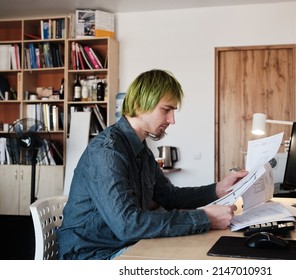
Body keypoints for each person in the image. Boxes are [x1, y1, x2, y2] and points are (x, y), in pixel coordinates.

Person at [57, 69, 248, 260]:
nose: (172, 120)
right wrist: (205, 218)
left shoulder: (141, 149)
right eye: (166, 110)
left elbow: (169, 196)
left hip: (122, 244)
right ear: (140, 105)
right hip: (93, 255)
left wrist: (218, 189)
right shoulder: (108, 152)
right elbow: (128, 225)